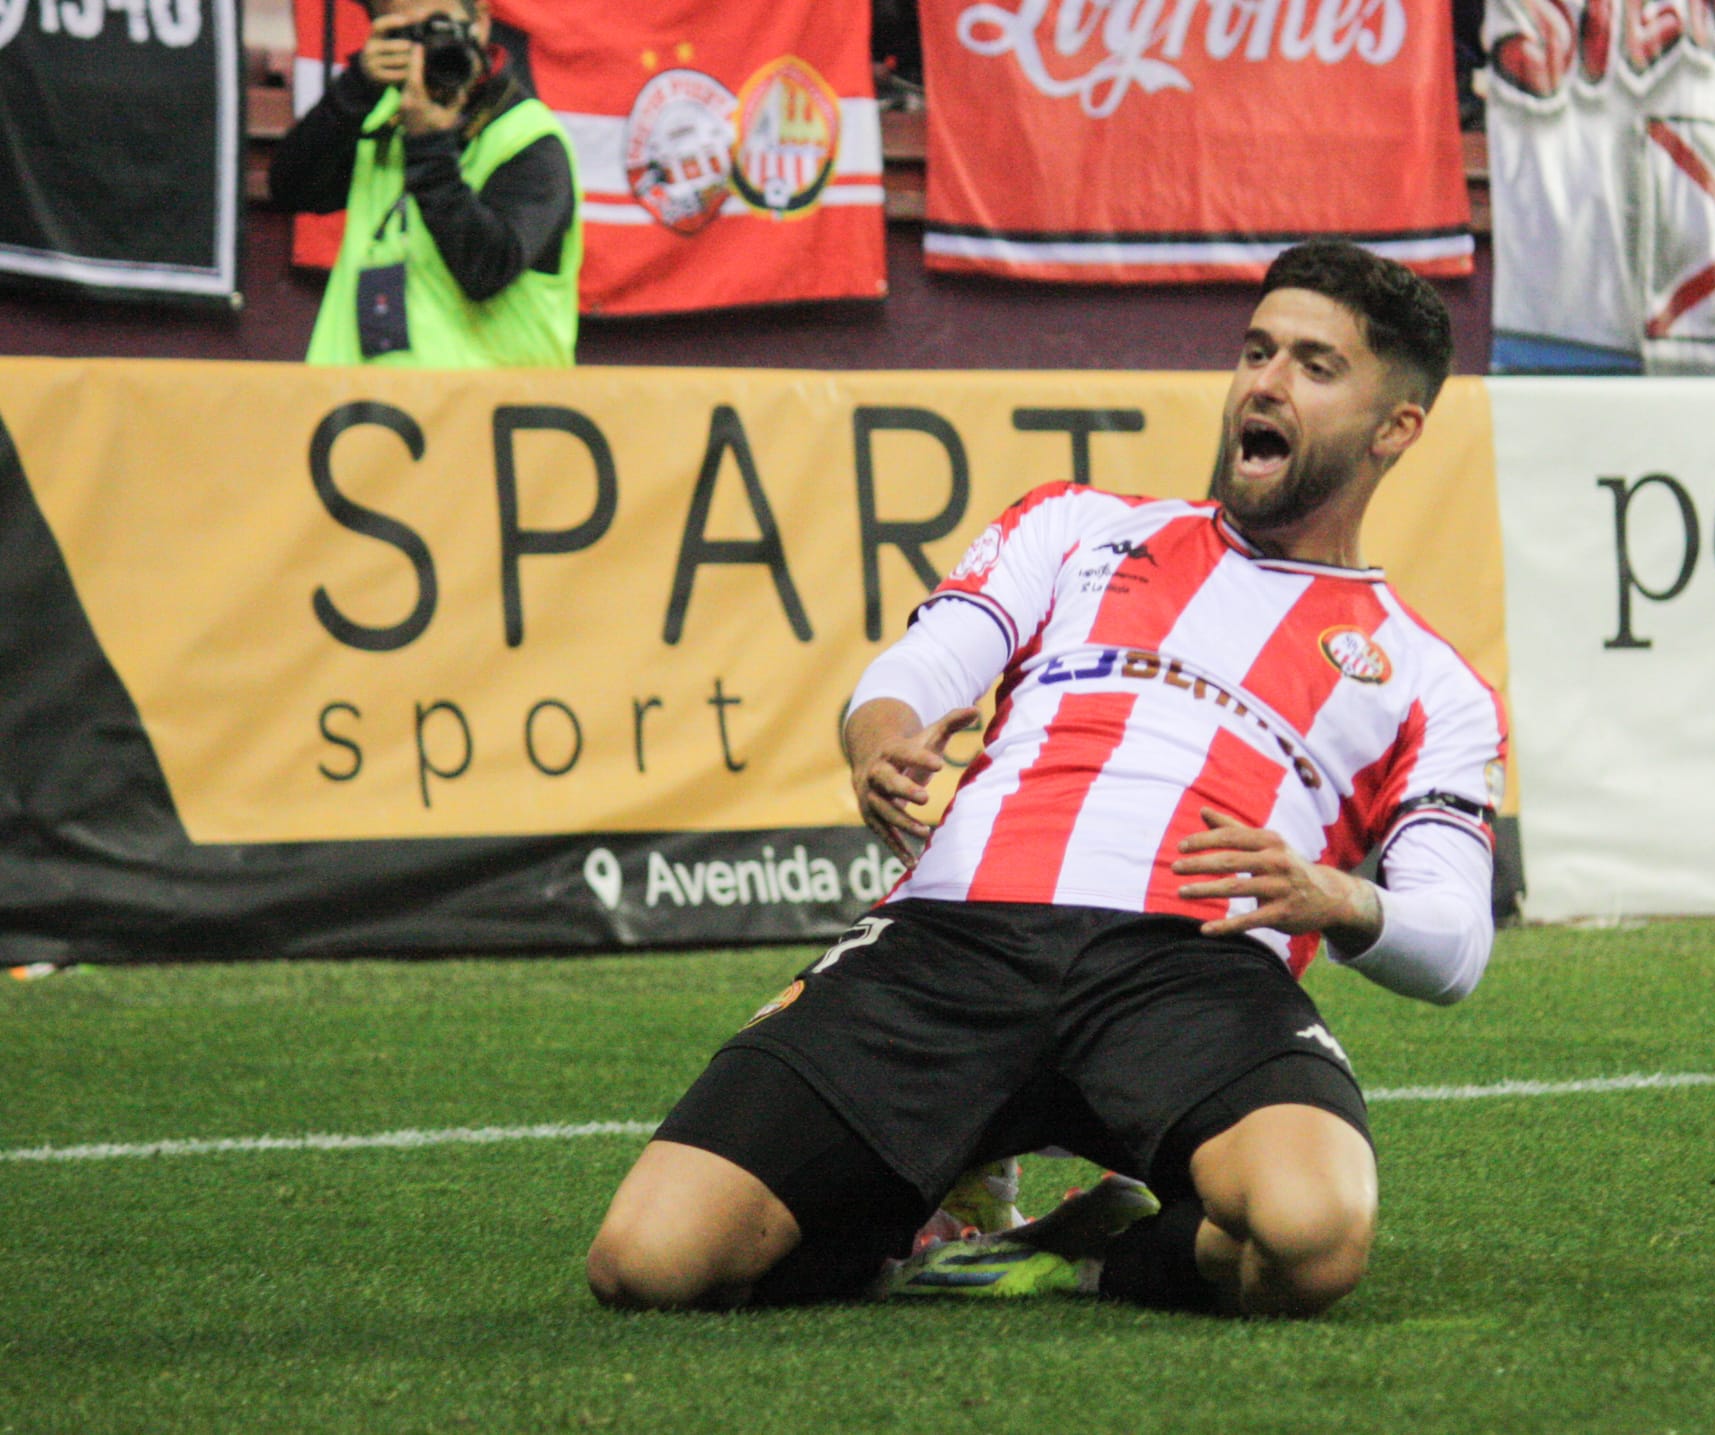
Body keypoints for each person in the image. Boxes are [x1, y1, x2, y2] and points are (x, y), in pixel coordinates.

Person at [586, 239, 1506, 1317]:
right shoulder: (1077, 526)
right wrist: (876, 734)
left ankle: (1081, 1245)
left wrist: (1337, 898)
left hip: (1187, 966)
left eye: (1314, 364)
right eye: (1256, 349)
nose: (1263, 381)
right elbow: (925, 664)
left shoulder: (1429, 679)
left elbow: (1453, 940)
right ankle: (932, 1194)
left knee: (1310, 1238)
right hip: (954, 938)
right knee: (645, 1264)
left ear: (1394, 427)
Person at [269, 0, 581, 368]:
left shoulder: (527, 139)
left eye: (438, 28)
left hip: (481, 413)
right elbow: (290, 188)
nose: (424, 52)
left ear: (480, 22)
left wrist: (430, 149)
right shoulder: (382, 116)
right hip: (362, 406)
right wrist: (354, 89)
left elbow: (485, 270)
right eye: (405, 35)